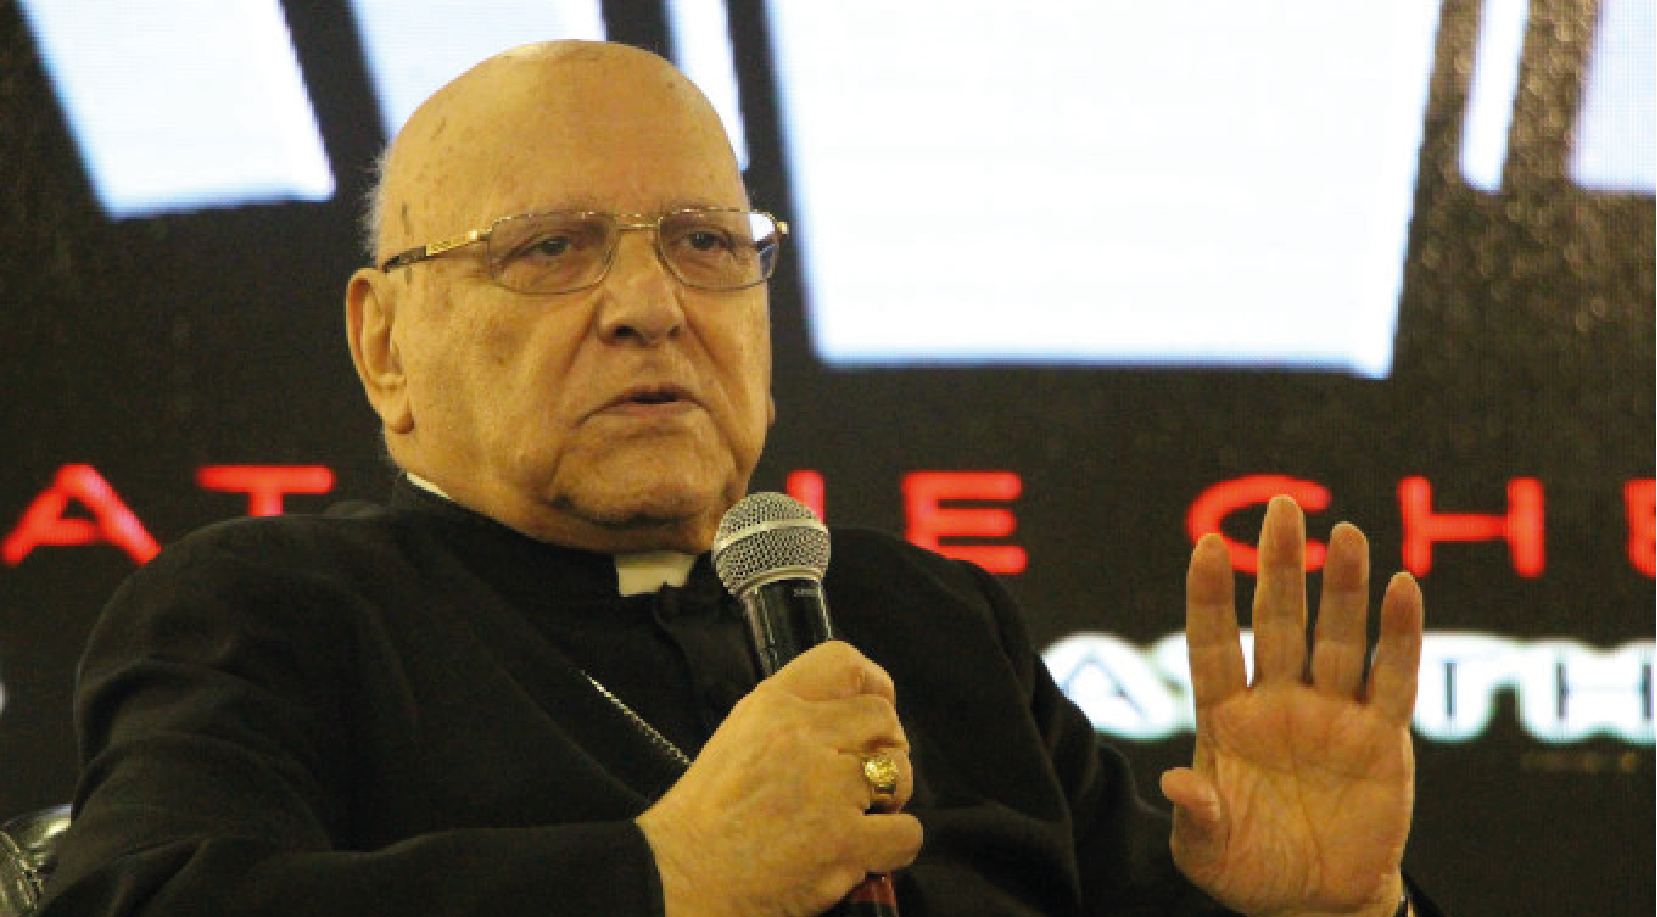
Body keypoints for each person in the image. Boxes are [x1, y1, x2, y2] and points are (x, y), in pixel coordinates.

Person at [38, 41, 1437, 917]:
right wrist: (666, 879)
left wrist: (1332, 913)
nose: (651, 306)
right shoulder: (270, 611)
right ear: (384, 344)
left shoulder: (932, 622)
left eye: (706, 242)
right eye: (550, 248)